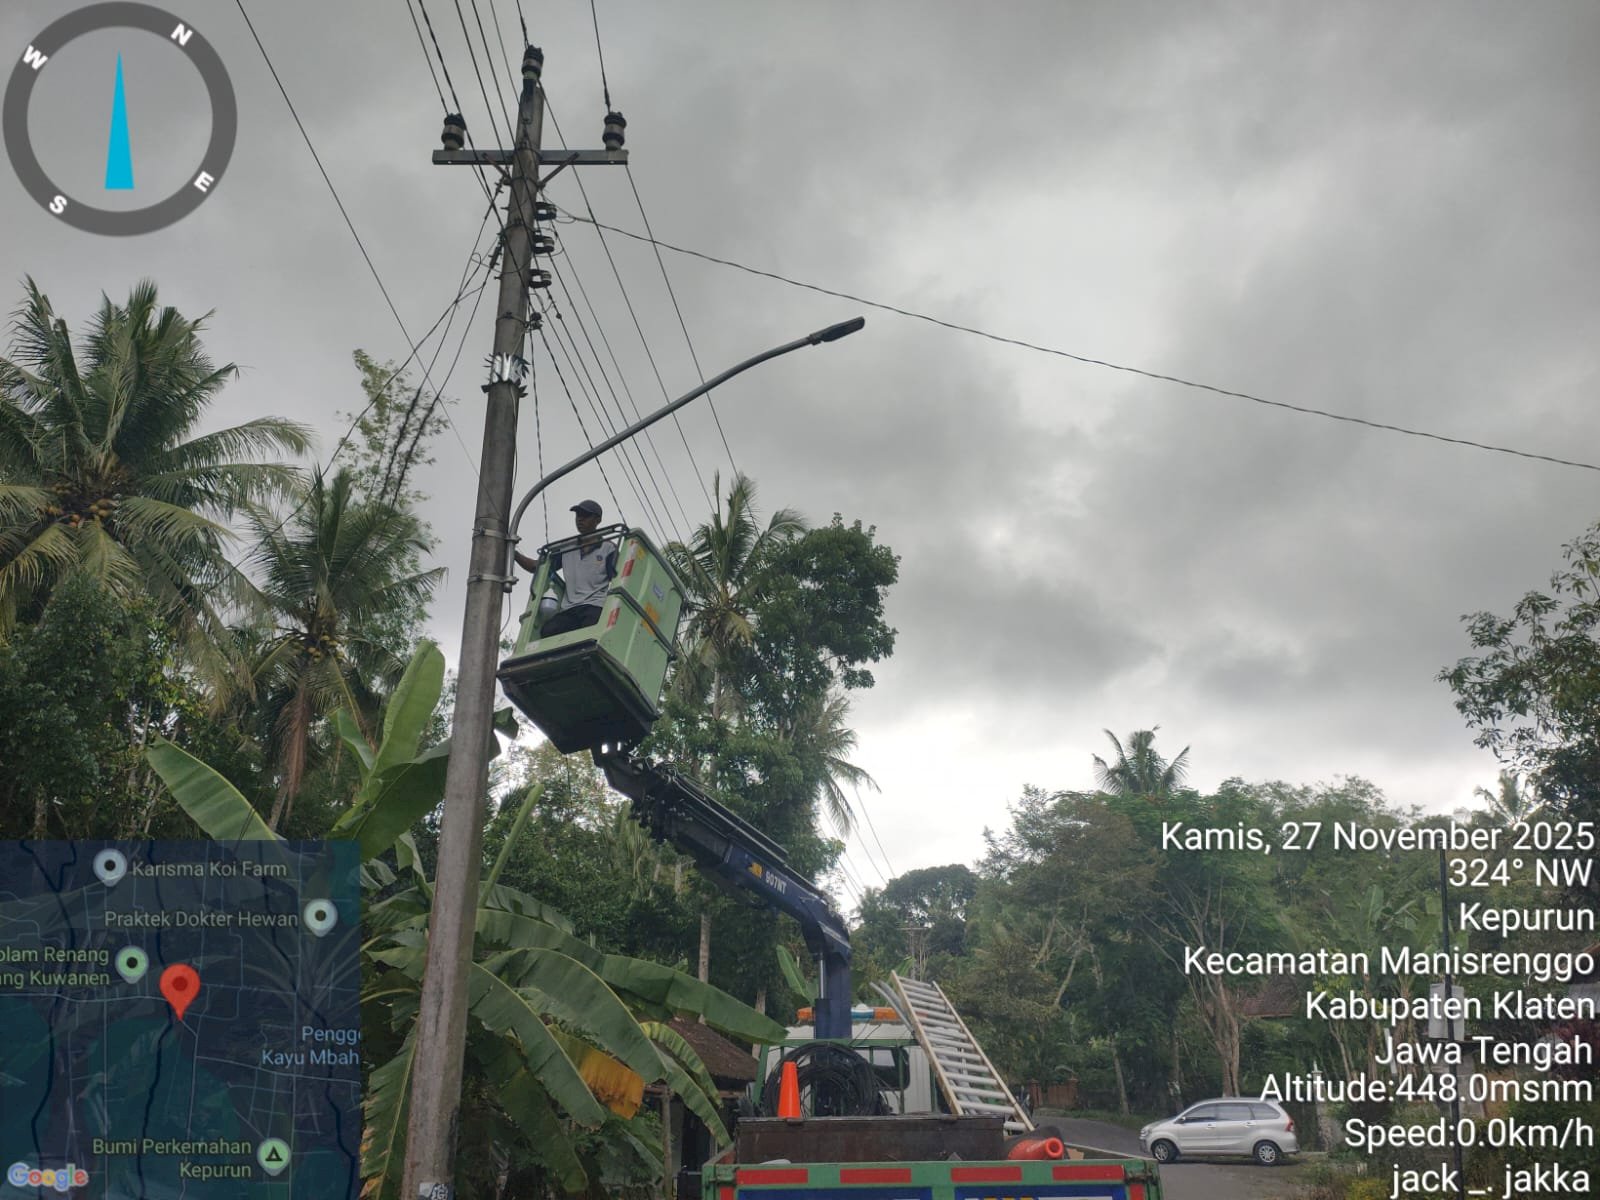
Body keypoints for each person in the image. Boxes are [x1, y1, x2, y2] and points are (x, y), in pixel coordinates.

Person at [515, 499, 618, 638]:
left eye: (585, 515)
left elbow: (618, 579)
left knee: (589, 636)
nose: (580, 519)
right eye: (577, 515)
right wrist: (513, 553)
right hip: (569, 609)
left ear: (597, 520)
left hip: (595, 606)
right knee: (548, 631)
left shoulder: (608, 548)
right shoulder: (567, 547)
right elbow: (537, 567)